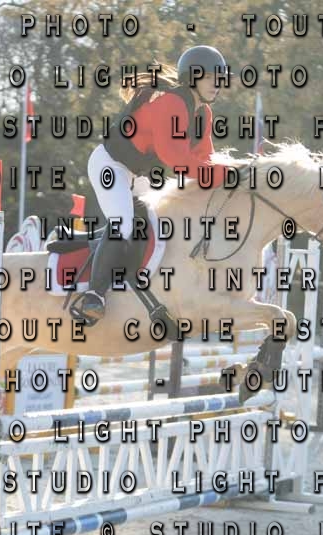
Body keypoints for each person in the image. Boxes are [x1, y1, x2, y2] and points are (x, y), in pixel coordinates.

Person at [71, 45, 229, 325]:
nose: (216, 84)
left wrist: (230, 179)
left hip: (138, 174)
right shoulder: (171, 103)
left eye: (219, 78)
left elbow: (205, 159)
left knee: (160, 225)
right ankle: (93, 296)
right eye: (209, 77)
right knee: (124, 225)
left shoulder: (203, 114)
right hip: (111, 165)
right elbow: (176, 159)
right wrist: (222, 175)